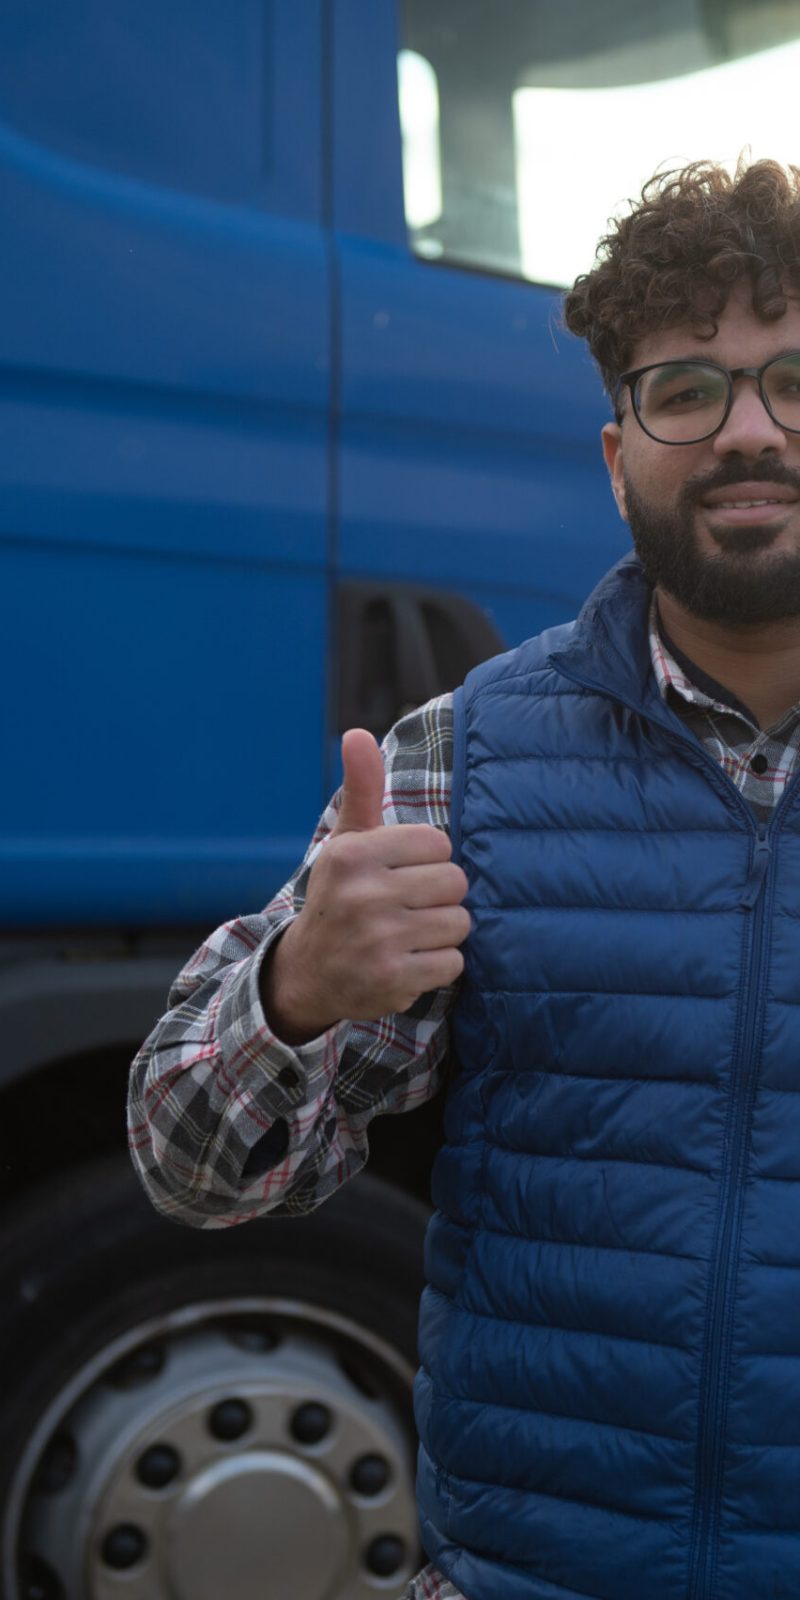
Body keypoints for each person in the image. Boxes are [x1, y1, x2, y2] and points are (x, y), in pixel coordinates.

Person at [128, 159, 800, 1600]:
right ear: (619, 455)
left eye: (794, 376)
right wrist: (297, 992)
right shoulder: (465, 761)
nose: (750, 429)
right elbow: (186, 1165)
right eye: (687, 388)